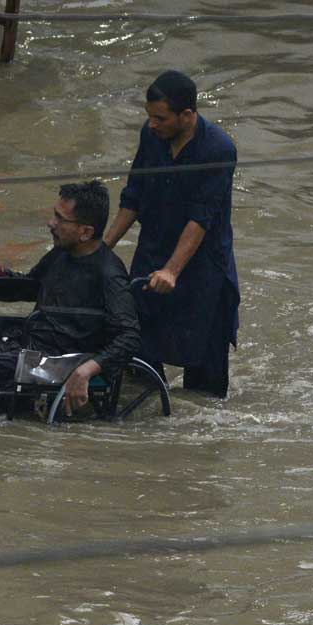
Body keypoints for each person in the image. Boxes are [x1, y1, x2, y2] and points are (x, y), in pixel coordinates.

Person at [0, 180, 140, 415]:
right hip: (32, 346)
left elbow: (129, 336)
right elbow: (30, 286)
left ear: (85, 232)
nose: (51, 223)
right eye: (54, 215)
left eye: (60, 219)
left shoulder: (109, 273)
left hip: (62, 360)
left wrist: (88, 369)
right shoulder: (60, 255)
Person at [103, 70, 240, 398]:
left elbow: (200, 219)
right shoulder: (152, 136)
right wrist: (102, 248)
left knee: (205, 387)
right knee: (136, 361)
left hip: (200, 271)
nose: (152, 124)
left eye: (160, 118)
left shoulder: (218, 149)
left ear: (187, 115)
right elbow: (133, 196)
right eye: (149, 117)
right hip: (151, 255)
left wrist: (171, 271)